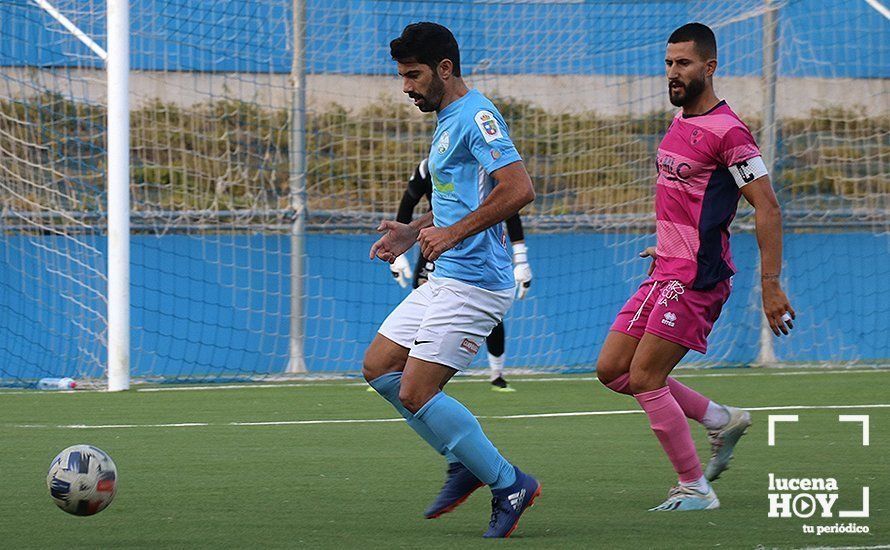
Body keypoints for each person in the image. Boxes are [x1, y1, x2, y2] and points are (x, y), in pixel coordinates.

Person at [594, 22, 796, 511]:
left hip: (697, 280)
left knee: (644, 378)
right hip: (666, 269)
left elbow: (766, 207)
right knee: (612, 370)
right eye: (668, 64)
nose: (673, 73)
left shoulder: (730, 133)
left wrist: (770, 285)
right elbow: (689, 202)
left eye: (683, 64)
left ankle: (694, 488)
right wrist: (666, 243)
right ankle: (719, 419)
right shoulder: (681, 121)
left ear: (709, 67)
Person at [363, 22, 541, 537]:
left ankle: (510, 484)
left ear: (445, 69)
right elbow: (456, 203)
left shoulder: (477, 116)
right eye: (401, 76)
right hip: (447, 277)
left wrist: (454, 233)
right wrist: (412, 231)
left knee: (418, 390)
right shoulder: (446, 119)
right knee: (378, 368)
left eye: (413, 75)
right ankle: (467, 455)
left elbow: (518, 189)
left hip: (477, 282)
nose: (406, 87)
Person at [388, 157, 533, 392]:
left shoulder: (486, 170)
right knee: (423, 304)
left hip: (479, 250)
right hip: (435, 244)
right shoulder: (428, 167)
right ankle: (405, 369)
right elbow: (409, 202)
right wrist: (399, 250)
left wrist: (521, 257)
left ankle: (497, 373)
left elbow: (512, 206)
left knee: (487, 311)